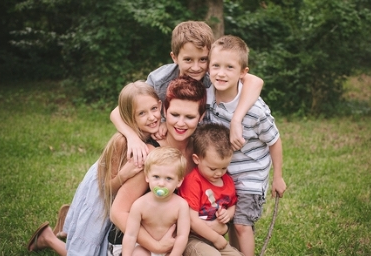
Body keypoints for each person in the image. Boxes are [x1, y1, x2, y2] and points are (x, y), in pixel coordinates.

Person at [26, 82, 173, 256]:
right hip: (102, 194)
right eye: (141, 113)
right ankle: (47, 238)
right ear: (129, 117)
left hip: (116, 195)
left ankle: (68, 219)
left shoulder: (156, 130)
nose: (151, 117)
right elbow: (107, 187)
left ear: (160, 105)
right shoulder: (121, 142)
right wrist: (124, 174)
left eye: (153, 109)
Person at [110, 21, 265, 167]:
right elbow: (118, 112)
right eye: (188, 60)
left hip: (193, 141)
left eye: (203, 59)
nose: (196, 67)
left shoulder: (215, 76)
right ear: (175, 57)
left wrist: (236, 120)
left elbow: (255, 81)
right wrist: (133, 138)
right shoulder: (161, 79)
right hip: (159, 140)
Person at [107, 75, 206, 256]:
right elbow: (118, 212)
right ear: (165, 111)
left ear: (201, 117)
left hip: (171, 245)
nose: (181, 123)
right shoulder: (150, 154)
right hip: (133, 244)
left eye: (190, 117)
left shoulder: (198, 152)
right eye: (175, 115)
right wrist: (156, 246)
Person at [205, 35, 286, 256]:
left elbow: (275, 141)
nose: (221, 73)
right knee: (229, 223)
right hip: (225, 172)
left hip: (251, 172)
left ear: (243, 72)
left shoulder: (255, 110)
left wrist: (278, 177)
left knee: (242, 225)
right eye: (216, 66)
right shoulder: (209, 95)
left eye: (230, 67)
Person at [178, 123, 247, 256]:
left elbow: (232, 204)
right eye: (213, 168)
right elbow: (192, 220)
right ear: (197, 159)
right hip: (191, 238)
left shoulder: (227, 181)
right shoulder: (193, 181)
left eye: (224, 167)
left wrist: (228, 213)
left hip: (216, 237)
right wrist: (215, 238)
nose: (219, 173)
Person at [118, 147, 191, 256]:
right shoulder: (139, 205)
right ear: (147, 177)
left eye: (168, 178)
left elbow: (182, 236)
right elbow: (130, 235)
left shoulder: (181, 205)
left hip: (170, 252)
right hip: (144, 250)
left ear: (179, 181)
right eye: (156, 177)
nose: (161, 183)